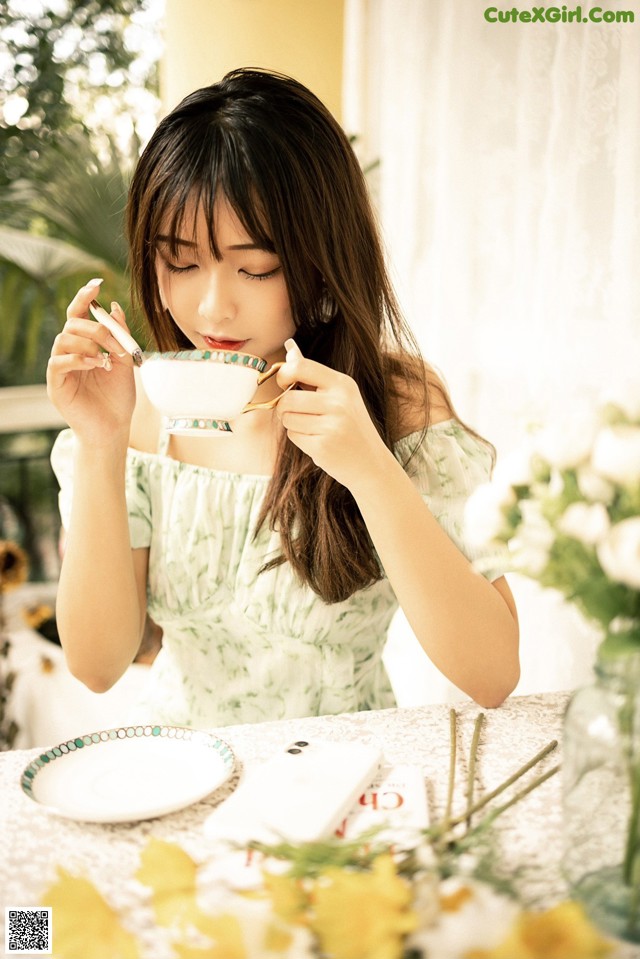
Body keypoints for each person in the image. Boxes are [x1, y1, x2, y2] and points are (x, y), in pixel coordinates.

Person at [47, 68, 519, 729]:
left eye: (256, 267)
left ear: (321, 257)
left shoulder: (397, 403)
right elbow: (97, 665)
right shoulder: (142, 415)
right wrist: (101, 443)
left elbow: (493, 673)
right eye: (181, 261)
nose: (212, 305)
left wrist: (371, 469)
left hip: (338, 794)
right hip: (181, 779)